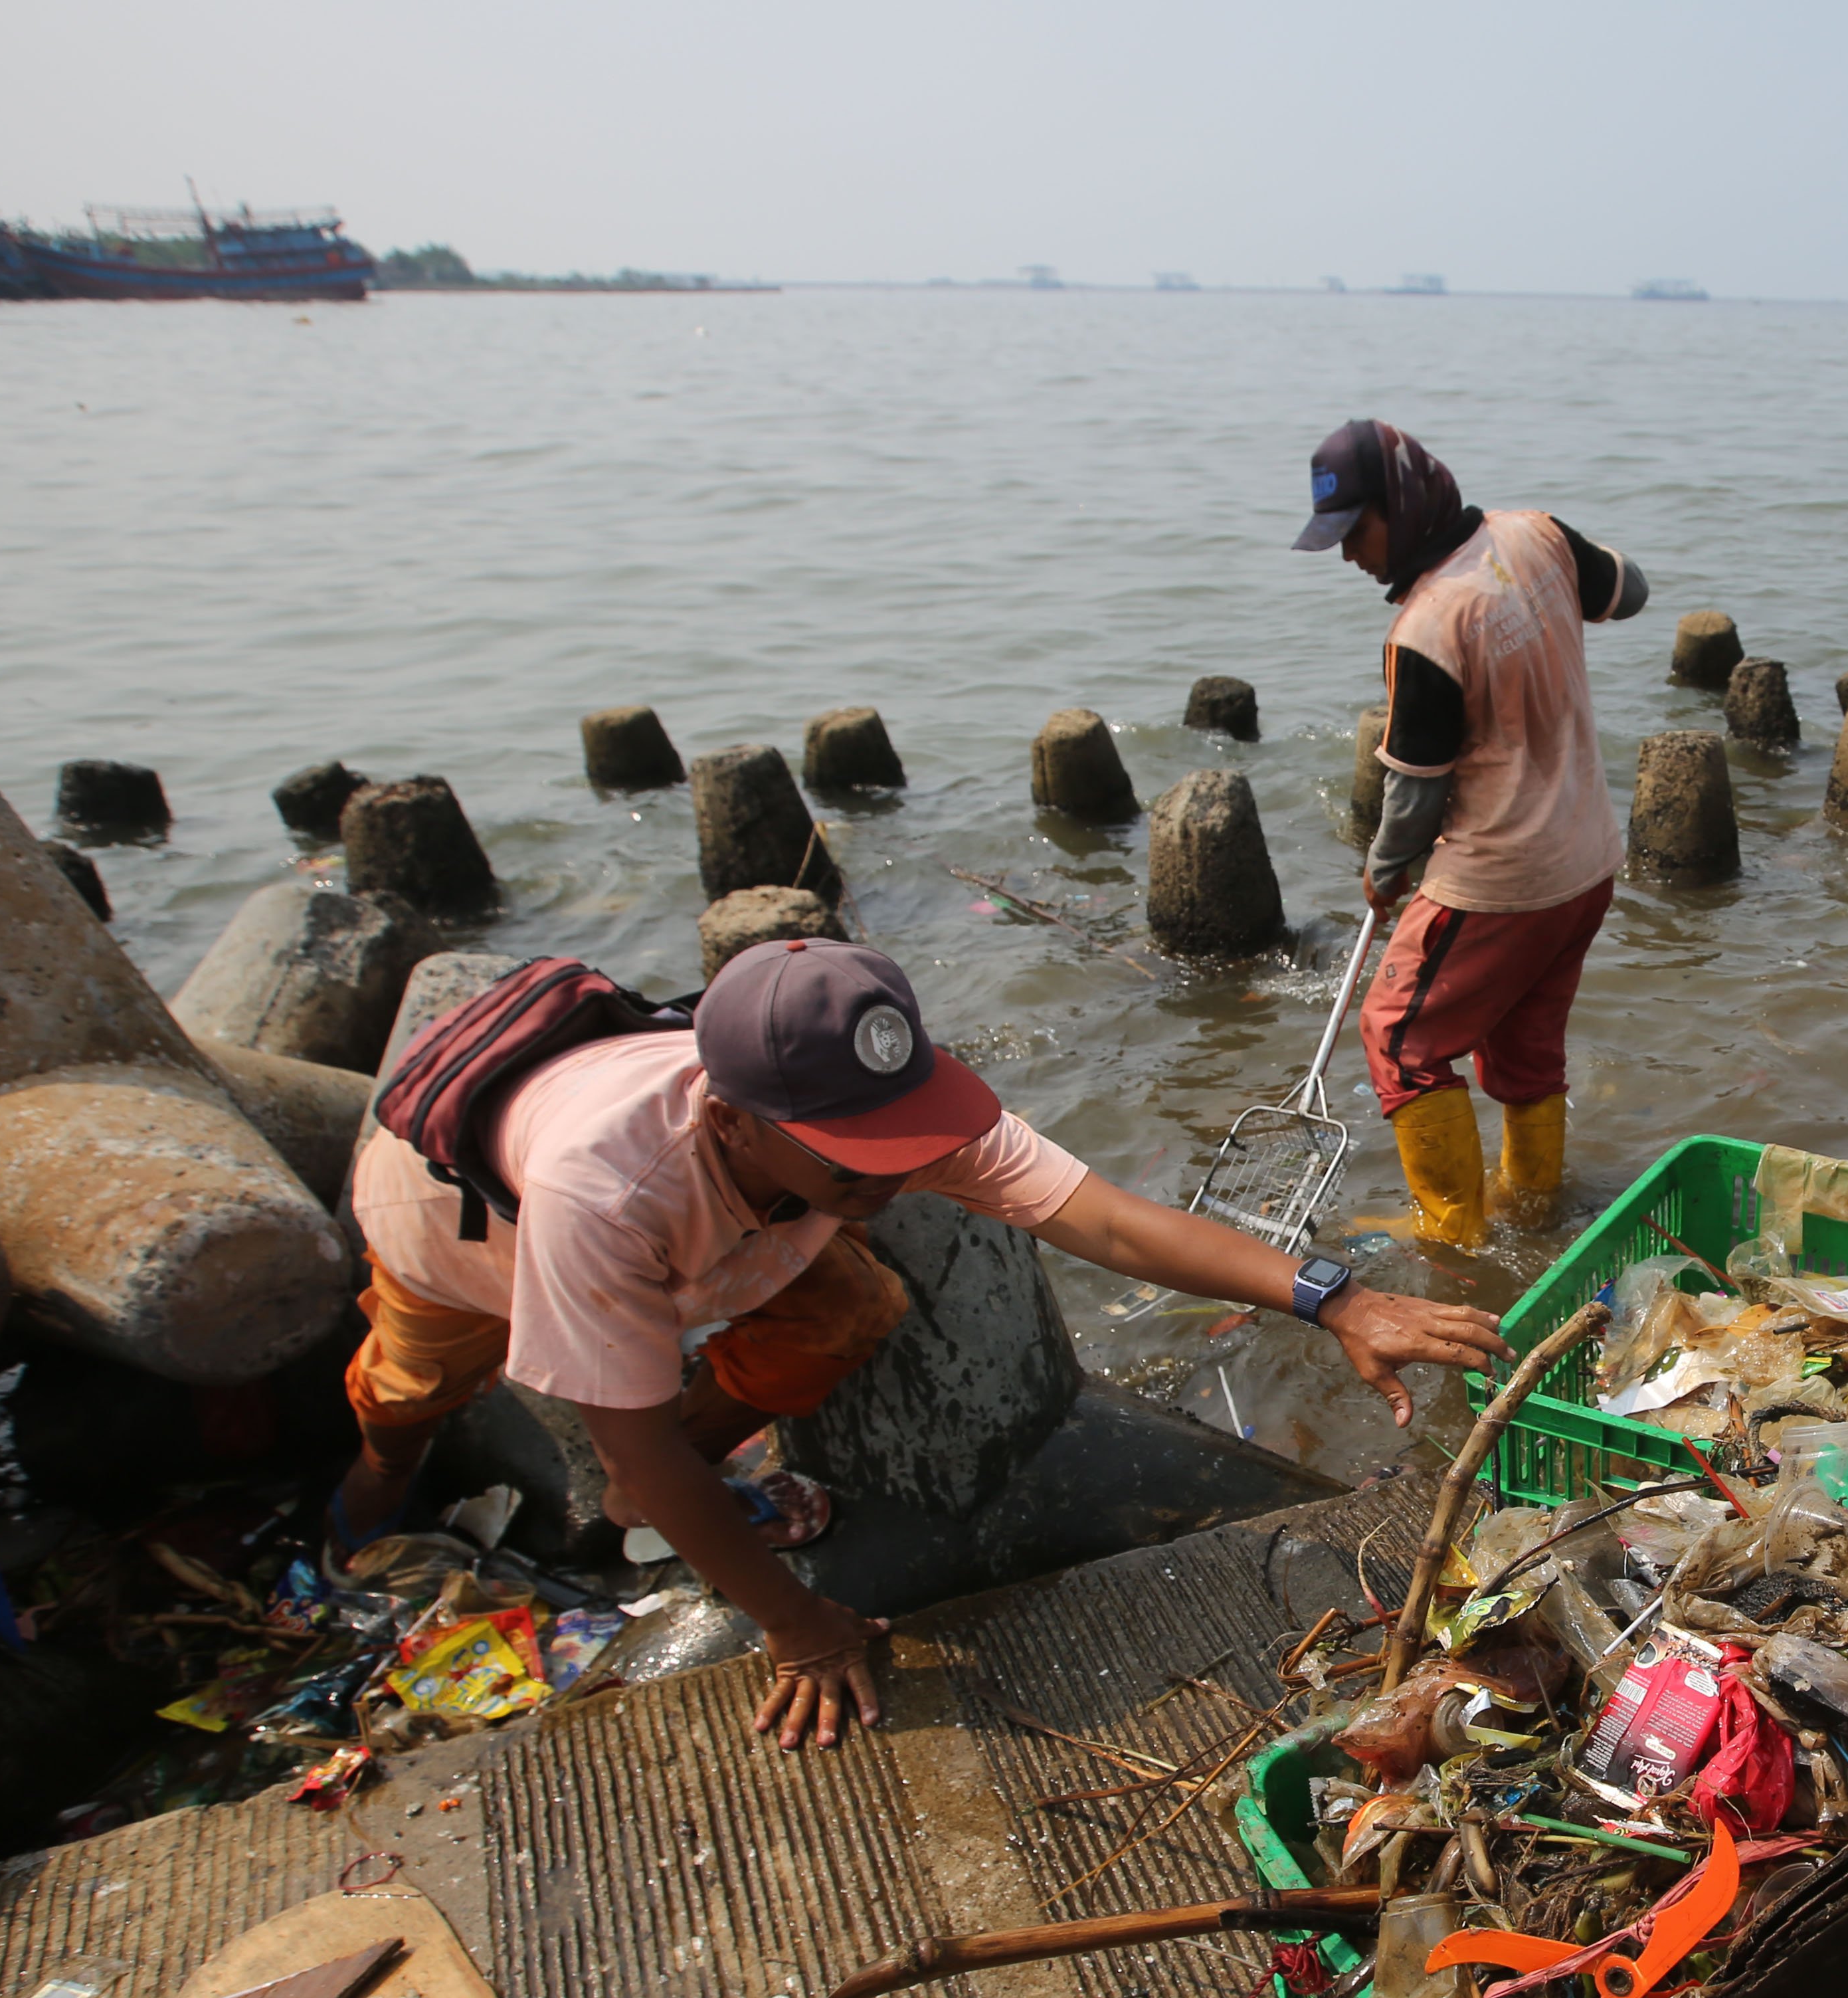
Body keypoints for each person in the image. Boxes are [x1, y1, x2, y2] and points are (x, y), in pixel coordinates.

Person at [330, 938, 1506, 1750]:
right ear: (733, 1118)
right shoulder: (608, 1193)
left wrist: (1337, 1298)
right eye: (859, 1158)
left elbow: (1103, 1219)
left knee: (843, 1318)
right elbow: (634, 1450)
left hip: (742, 1234)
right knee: (413, 1391)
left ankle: (689, 1476)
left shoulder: (861, 1125)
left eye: (909, 1139)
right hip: (457, 1237)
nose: (903, 1171)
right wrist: (798, 1628)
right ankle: (368, 1502)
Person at [1295, 418, 1647, 1249]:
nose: (1351, 557)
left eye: (1357, 532)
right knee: (1526, 1043)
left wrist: (1384, 875)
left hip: (1502, 878)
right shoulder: (1538, 536)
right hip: (1588, 860)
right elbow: (1628, 592)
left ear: (1406, 503)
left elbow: (1415, 798)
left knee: (1397, 1037)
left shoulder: (1425, 628)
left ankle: (1455, 1233)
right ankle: (1531, 1206)